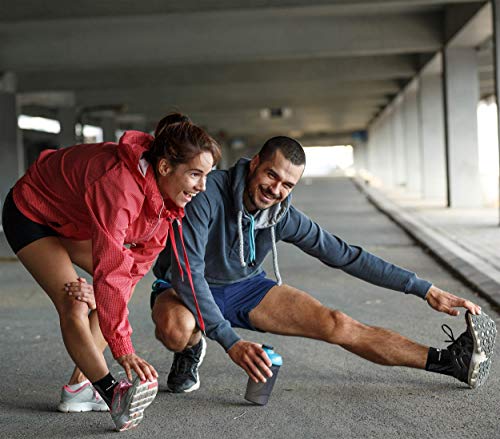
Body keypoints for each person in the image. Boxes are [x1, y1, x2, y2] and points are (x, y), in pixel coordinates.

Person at [149, 135, 496, 395]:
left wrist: (424, 289)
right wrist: (230, 340)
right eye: (272, 175)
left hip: (244, 287)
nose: (276, 190)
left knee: (338, 323)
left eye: (288, 184)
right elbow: (187, 273)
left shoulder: (281, 216)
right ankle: (191, 348)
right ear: (255, 163)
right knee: (177, 329)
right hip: (183, 289)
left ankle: (451, 362)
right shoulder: (208, 196)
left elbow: (346, 255)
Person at [1, 113, 220, 431]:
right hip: (31, 213)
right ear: (164, 167)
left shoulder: (166, 202)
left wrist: (103, 295)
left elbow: (133, 270)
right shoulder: (119, 187)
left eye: (207, 176)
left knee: (117, 289)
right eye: (195, 174)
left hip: (72, 219)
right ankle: (110, 392)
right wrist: (123, 348)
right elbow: (112, 269)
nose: (202, 186)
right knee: (73, 302)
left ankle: (78, 387)